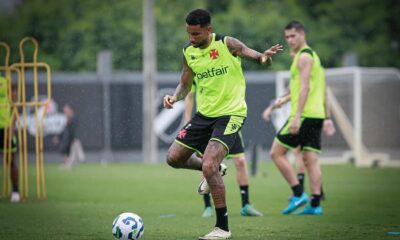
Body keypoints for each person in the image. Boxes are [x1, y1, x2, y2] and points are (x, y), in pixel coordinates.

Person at [163, 9, 282, 240]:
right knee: (173, 158)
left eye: (196, 34)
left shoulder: (226, 43)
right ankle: (216, 169)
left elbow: (254, 56)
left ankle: (222, 228)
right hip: (204, 115)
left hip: (231, 114)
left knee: (209, 166)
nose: (191, 38)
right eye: (188, 33)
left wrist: (263, 57)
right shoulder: (188, 52)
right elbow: (185, 84)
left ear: (208, 29)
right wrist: (174, 97)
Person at [269, 20, 327, 215]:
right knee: (311, 159)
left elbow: (304, 88)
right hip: (316, 114)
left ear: (303, 34)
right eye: (286, 37)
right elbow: (302, 89)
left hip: (303, 115)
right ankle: (316, 204)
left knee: (276, 153)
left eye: (293, 36)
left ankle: (298, 193)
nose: (290, 40)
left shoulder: (303, 58)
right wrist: (284, 100)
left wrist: (296, 117)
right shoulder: (313, 56)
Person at [184, 87, 263, 218]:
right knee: (206, 162)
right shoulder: (198, 69)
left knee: (241, 161)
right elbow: (188, 96)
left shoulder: (227, 69)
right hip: (207, 122)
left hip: (228, 120)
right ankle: (207, 206)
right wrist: (187, 120)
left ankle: (246, 205)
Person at [0, 75, 19, 202]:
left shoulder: (6, 81)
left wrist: (11, 127)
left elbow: (15, 105)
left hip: (5, 128)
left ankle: (15, 191)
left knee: (11, 160)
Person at [52, 104, 85, 170]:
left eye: (66, 109)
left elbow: (74, 130)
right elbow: (65, 129)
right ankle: (68, 165)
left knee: (78, 155)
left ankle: (68, 165)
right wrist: (58, 137)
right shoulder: (67, 119)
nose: (65, 111)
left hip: (73, 139)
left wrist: (73, 139)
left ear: (70, 110)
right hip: (68, 139)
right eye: (64, 110)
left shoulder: (74, 119)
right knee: (68, 152)